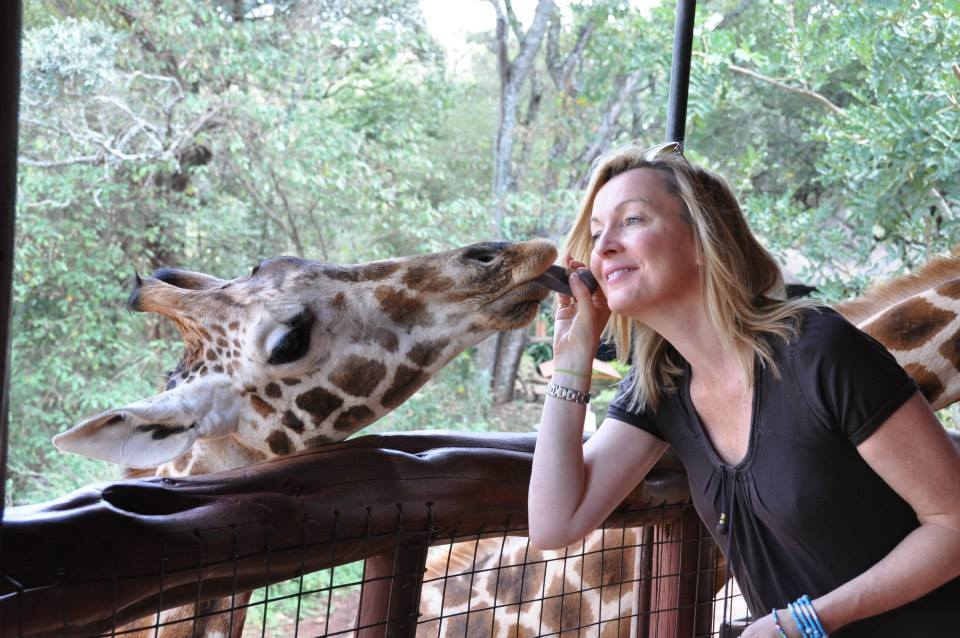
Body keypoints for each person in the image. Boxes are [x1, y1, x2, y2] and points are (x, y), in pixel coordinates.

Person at [527, 142, 960, 637]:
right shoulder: (661, 384)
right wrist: (572, 360)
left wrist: (806, 621)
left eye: (632, 220)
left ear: (701, 238)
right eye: (598, 231)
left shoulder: (820, 352)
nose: (602, 247)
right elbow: (554, 523)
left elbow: (953, 522)